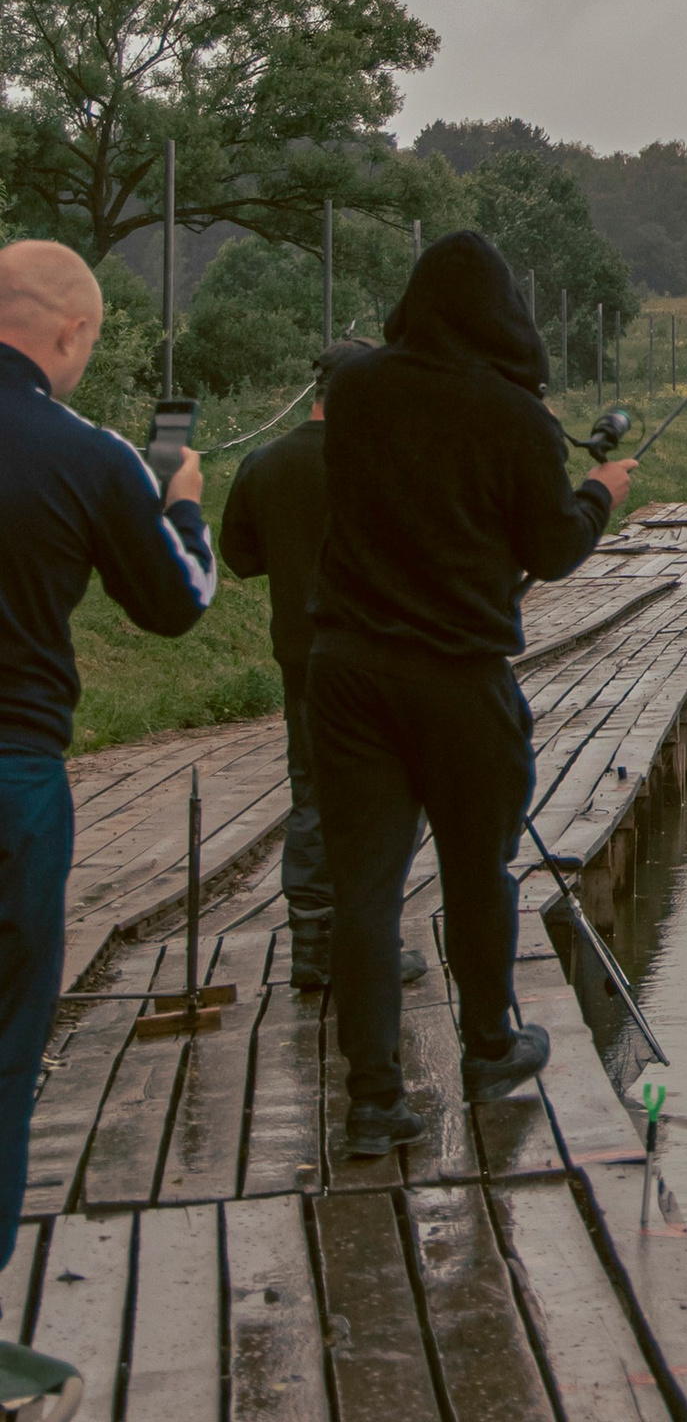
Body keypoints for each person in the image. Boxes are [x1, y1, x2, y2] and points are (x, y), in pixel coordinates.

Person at [305, 232, 633, 1159]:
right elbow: (556, 548)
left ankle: (374, 1102)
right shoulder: (517, 420)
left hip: (348, 671)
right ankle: (489, 1045)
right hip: (457, 678)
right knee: (476, 869)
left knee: (365, 891)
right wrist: (600, 490)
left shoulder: (357, 389)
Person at [0, 239, 217, 1269]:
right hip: (13, 775)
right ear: (70, 332)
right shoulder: (89, 452)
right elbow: (175, 605)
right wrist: (181, 501)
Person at [217, 337, 422, 996]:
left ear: (316, 392)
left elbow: (241, 557)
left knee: (311, 795)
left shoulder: (265, 462)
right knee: (386, 802)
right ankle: (374, 947)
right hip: (377, 660)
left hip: (300, 661)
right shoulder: (384, 465)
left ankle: (311, 946)